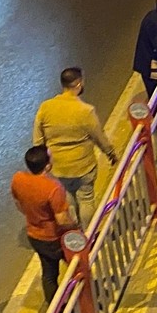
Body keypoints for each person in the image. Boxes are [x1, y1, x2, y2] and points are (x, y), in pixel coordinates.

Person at [33, 67, 117, 228]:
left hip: (57, 167)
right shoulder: (85, 111)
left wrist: (43, 163)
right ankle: (89, 235)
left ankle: (73, 234)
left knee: (67, 199)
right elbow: (99, 137)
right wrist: (111, 154)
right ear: (78, 84)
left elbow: (38, 139)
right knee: (86, 198)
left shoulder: (45, 107)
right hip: (83, 166)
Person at [11, 146, 76, 303]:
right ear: (47, 166)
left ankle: (55, 309)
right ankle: (86, 297)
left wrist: (34, 216)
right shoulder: (53, 188)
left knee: (49, 273)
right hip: (55, 237)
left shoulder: (18, 179)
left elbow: (19, 204)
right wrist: (75, 227)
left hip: (35, 236)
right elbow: (62, 219)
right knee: (78, 265)